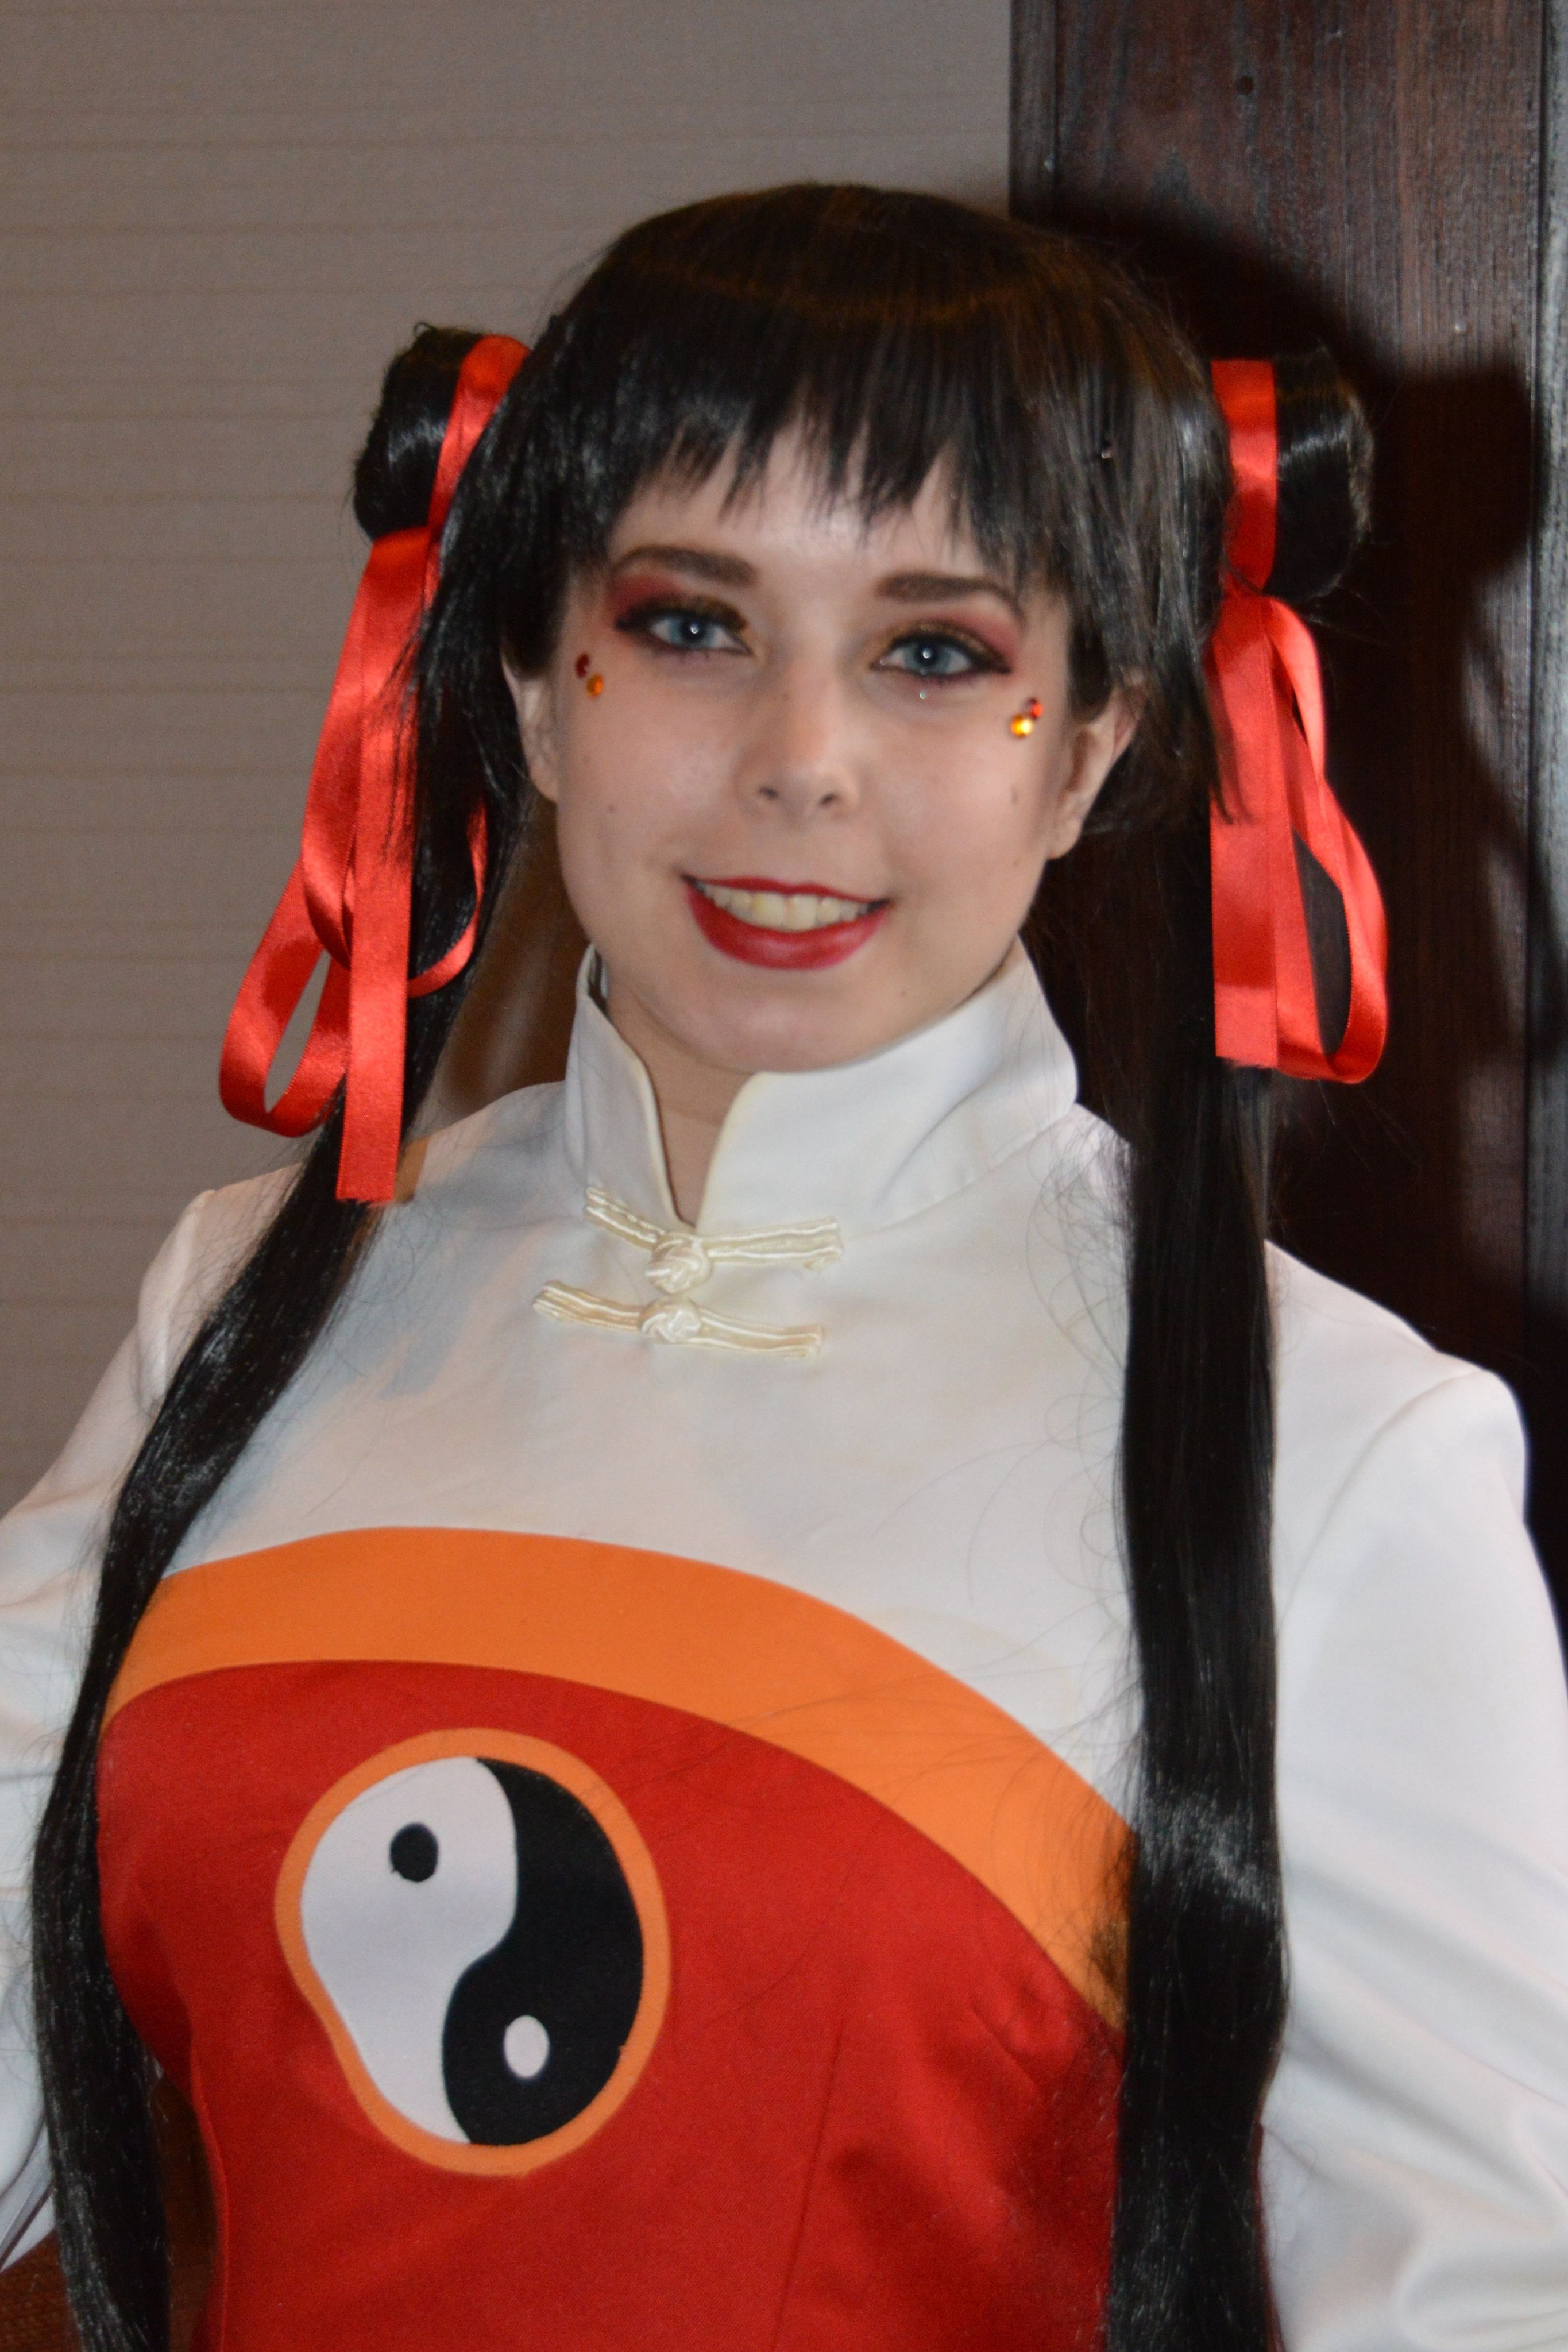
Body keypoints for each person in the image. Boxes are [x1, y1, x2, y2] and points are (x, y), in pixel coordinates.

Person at [1, 184, 1564, 2352]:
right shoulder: (247, 1303)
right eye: (687, 625)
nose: (797, 764)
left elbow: (1481, 2298)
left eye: (936, 654)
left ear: (1094, 745)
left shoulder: (1338, 1452)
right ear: (533, 689)